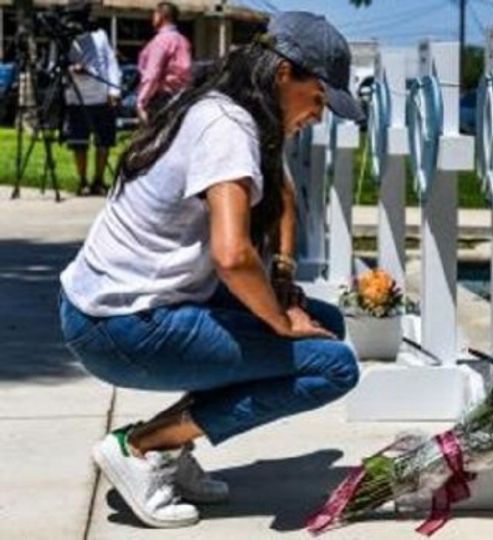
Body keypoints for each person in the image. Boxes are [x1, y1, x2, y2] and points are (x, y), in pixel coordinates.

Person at [59, 12, 365, 528]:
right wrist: (278, 321)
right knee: (333, 366)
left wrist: (285, 278)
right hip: (120, 325)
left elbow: (283, 195)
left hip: (130, 308)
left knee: (327, 327)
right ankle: (141, 446)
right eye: (319, 99)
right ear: (284, 73)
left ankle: (170, 448)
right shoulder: (227, 126)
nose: (319, 115)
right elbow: (232, 255)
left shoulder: (235, 111)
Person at [63, 0, 122, 196]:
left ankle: (99, 179)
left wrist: (114, 91)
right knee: (79, 143)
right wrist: (72, 70)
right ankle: (82, 181)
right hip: (76, 98)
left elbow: (111, 62)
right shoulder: (66, 38)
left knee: (104, 142)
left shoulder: (101, 36)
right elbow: (58, 65)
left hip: (101, 96)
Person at [137, 2, 192, 121]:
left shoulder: (161, 40)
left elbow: (152, 73)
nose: (153, 17)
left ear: (162, 16)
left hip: (163, 100)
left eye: (155, 14)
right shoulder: (183, 40)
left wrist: (142, 101)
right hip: (183, 98)